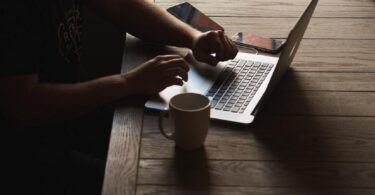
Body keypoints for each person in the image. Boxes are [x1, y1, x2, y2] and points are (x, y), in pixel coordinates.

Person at [0, 0, 238, 194]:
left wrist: (193, 38)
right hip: (27, 155)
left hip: (69, 116)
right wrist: (128, 82)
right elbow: (23, 106)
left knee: (164, 141)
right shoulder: (13, 10)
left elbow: (123, 7)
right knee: (148, 181)